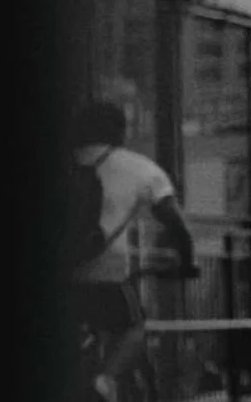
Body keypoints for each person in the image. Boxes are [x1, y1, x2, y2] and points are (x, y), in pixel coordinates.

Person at [68, 101, 199, 401]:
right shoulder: (141, 169)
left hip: (59, 272)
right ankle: (104, 381)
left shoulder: (63, 162)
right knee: (134, 327)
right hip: (105, 274)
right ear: (119, 131)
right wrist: (187, 260)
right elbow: (176, 224)